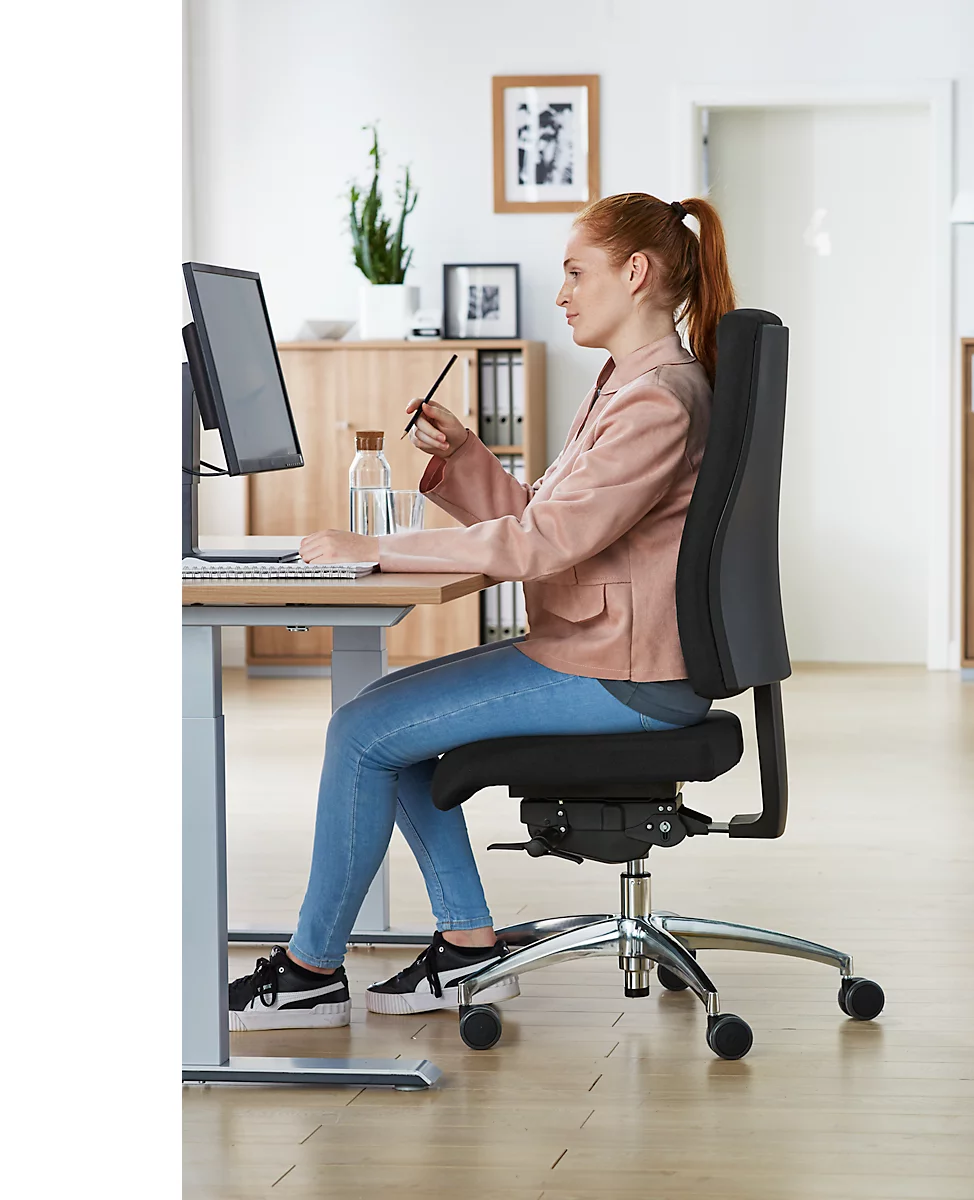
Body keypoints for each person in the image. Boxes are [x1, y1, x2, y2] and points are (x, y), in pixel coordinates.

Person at [227, 192, 737, 1030]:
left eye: (577, 273)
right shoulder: (628, 385)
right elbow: (547, 516)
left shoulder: (657, 399)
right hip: (603, 652)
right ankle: (467, 948)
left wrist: (375, 548)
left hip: (622, 672)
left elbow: (542, 542)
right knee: (390, 727)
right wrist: (464, 457)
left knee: (362, 732)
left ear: (636, 273)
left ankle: (310, 972)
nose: (564, 293)